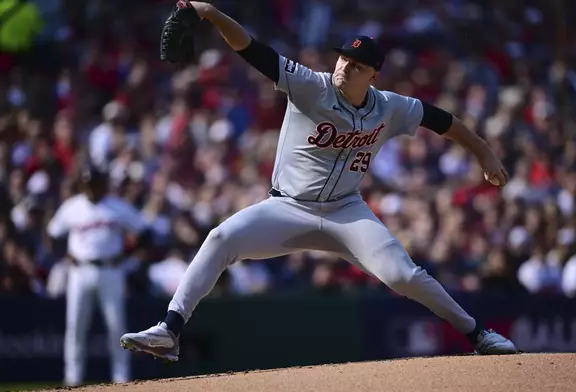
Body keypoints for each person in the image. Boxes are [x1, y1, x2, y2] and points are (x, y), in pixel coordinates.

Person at [120, 0, 518, 361]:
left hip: (347, 210)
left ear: (374, 75)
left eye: (357, 65)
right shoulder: (312, 85)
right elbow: (252, 50)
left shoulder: (391, 107)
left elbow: (443, 121)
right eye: (344, 59)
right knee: (221, 238)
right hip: (288, 207)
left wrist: (483, 151)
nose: (345, 66)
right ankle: (170, 330)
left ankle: (478, 333)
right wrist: (210, 13)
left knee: (403, 275)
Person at [47, 165, 151, 386]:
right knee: (76, 325)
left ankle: (121, 377)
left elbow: (144, 232)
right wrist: (65, 255)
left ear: (103, 184)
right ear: (83, 185)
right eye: (88, 183)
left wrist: (126, 255)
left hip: (110, 270)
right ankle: (73, 377)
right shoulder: (72, 207)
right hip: (79, 271)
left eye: (95, 183)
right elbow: (53, 234)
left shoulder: (116, 206)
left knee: (116, 325)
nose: (92, 188)